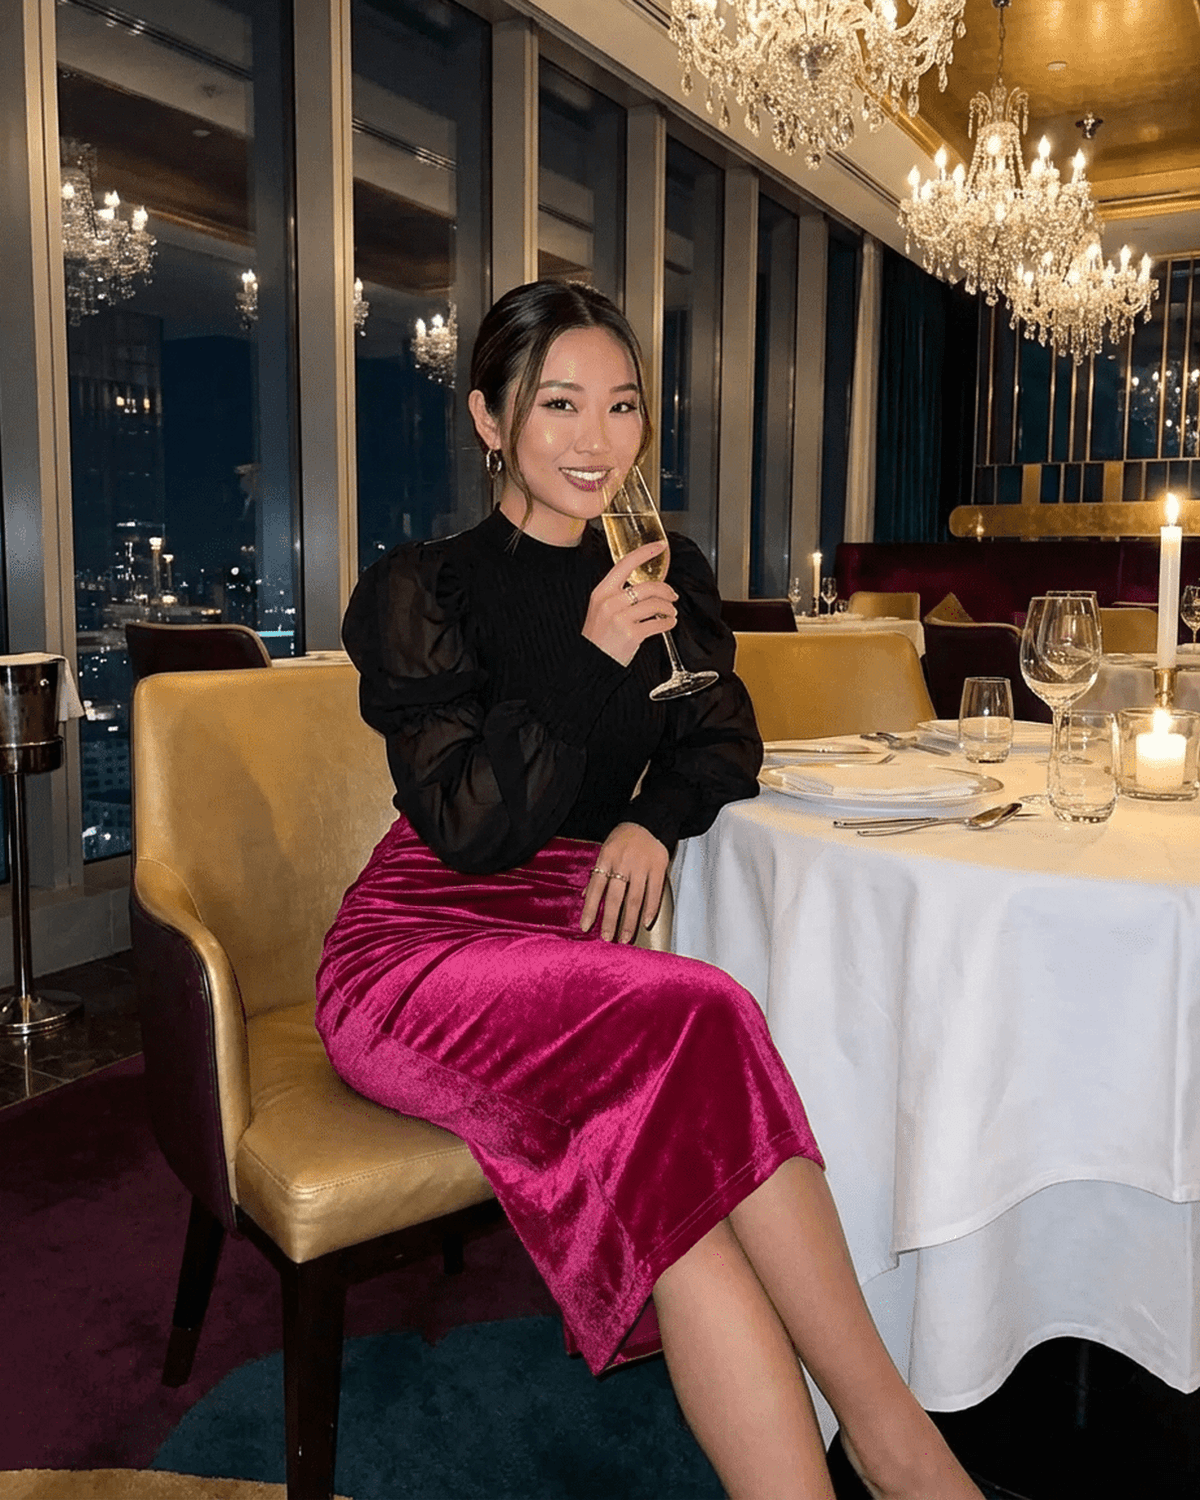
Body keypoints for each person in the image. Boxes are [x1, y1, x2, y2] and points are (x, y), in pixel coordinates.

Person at [316, 280, 982, 1500]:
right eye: (558, 403)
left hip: (576, 943)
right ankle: (905, 1455)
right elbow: (466, 826)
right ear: (488, 418)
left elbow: (724, 745)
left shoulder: (662, 569)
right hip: (420, 952)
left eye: (621, 407)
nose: (595, 439)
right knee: (708, 1009)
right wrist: (593, 653)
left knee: (675, 1181)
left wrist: (649, 823)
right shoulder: (424, 589)